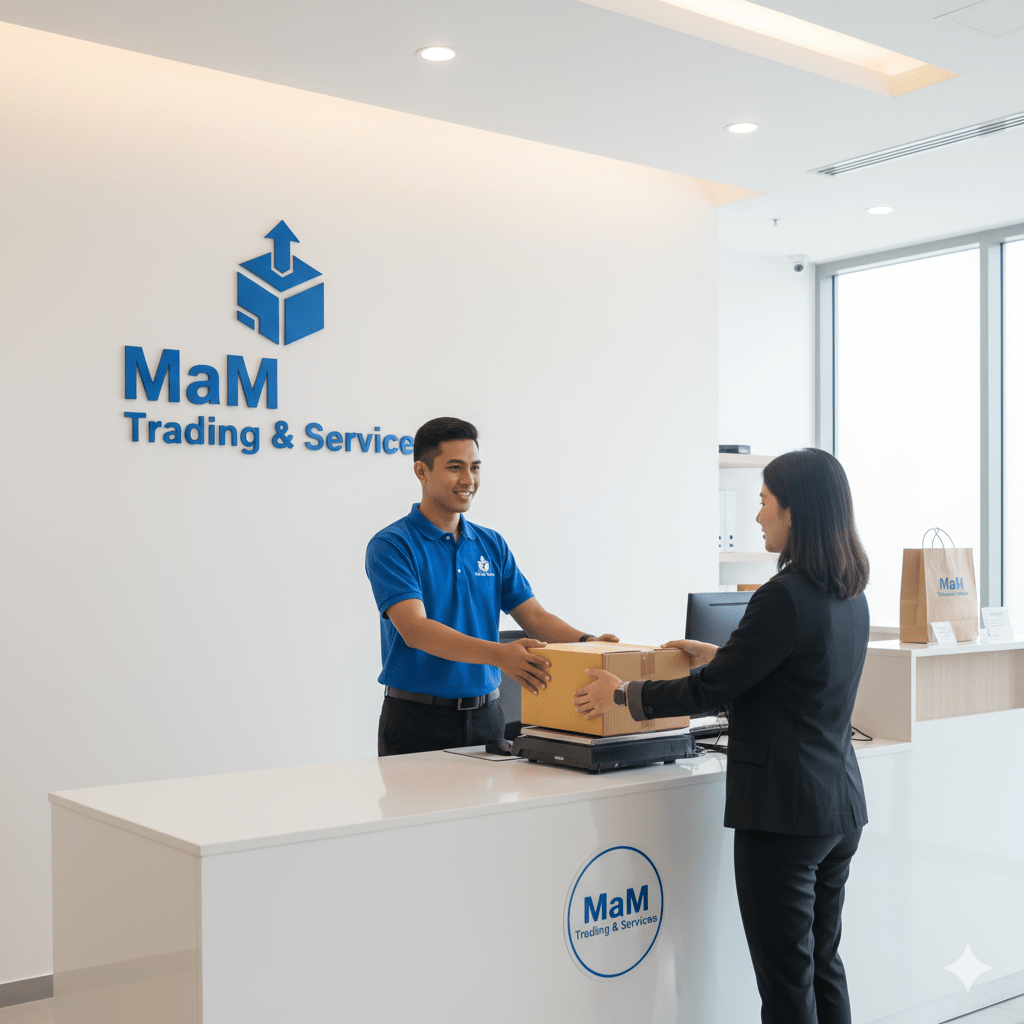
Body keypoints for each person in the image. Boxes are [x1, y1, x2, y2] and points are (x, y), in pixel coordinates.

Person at [572, 448, 870, 1024]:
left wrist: (623, 693)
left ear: (794, 511)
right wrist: (719, 654)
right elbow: (794, 674)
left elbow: (709, 692)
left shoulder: (783, 595)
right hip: (838, 808)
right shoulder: (850, 592)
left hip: (783, 816)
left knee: (786, 986)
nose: (757, 516)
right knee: (822, 965)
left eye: (764, 502)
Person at [366, 416, 618, 756]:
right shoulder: (392, 544)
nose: (468, 480)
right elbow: (416, 630)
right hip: (417, 721)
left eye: (475, 468)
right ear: (421, 471)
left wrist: (588, 643)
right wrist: (501, 655)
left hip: (488, 718)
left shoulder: (491, 544)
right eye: (455, 467)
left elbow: (534, 617)